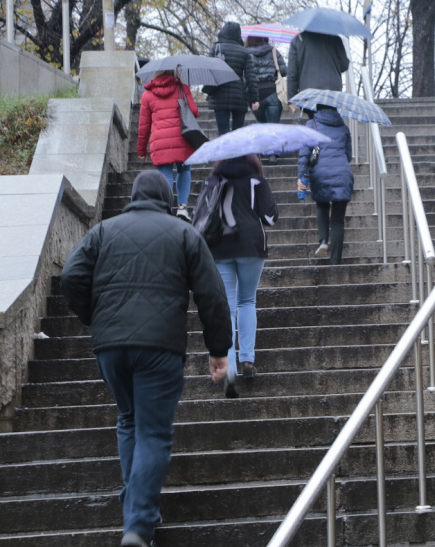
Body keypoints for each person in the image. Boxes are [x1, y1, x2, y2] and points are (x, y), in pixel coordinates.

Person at [59, 171, 232, 547]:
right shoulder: (185, 233)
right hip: (159, 349)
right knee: (152, 431)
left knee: (129, 419)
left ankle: (138, 506)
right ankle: (137, 526)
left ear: (133, 197)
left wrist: (97, 319)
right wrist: (219, 350)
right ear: (168, 198)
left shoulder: (104, 231)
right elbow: (212, 294)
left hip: (110, 348)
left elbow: (71, 276)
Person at [205, 154, 279, 397]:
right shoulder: (256, 180)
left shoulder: (215, 181)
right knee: (247, 300)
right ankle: (247, 359)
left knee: (227, 304)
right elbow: (270, 218)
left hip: (220, 245)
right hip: (251, 245)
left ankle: (231, 368)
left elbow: (204, 215)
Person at [136, 71, 198, 221]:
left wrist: (141, 149)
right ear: (173, 72)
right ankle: (182, 208)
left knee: (165, 175)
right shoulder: (182, 88)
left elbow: (144, 126)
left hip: (160, 141)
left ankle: (166, 209)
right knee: (184, 170)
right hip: (182, 138)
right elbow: (195, 112)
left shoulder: (147, 95)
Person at [298, 106, 354, 264]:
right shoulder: (343, 127)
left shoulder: (312, 124)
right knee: (338, 220)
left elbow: (304, 154)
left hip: (320, 173)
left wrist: (301, 176)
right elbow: (348, 155)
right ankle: (335, 261)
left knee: (322, 206)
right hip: (343, 174)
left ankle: (323, 241)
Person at [205, 21, 258, 135]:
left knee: (223, 130)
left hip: (219, 93)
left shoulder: (216, 47)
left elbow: (208, 69)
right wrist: (254, 99)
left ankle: (225, 153)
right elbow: (250, 77)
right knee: (237, 133)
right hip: (239, 96)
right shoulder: (244, 51)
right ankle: (236, 152)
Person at [287, 30, 350, 98]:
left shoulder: (298, 40)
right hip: (332, 92)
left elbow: (292, 74)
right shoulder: (335, 38)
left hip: (307, 92)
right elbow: (344, 65)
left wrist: (292, 98)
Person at [245, 36, 288, 126]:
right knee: (274, 127)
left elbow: (244, 75)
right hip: (273, 92)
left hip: (254, 95)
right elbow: (284, 71)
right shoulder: (274, 52)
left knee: (261, 124)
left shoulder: (246, 53)